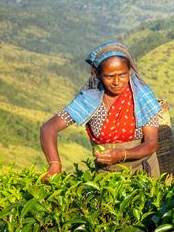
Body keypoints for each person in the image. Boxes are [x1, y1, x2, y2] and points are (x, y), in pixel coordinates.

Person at [40, 41, 162, 181]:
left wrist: (122, 154)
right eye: (109, 76)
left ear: (130, 72)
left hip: (143, 172)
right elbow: (48, 128)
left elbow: (151, 144)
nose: (116, 82)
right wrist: (55, 164)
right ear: (98, 74)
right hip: (106, 178)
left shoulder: (142, 97)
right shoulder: (90, 100)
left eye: (122, 75)